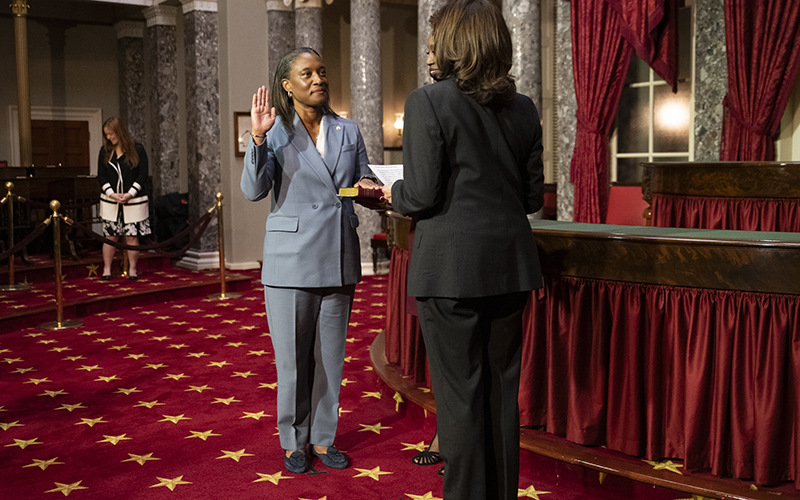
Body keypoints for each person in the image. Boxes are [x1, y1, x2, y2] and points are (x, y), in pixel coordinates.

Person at [382, 0, 545, 498]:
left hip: (451, 271)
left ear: (453, 44)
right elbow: (534, 198)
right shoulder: (523, 107)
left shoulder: (428, 101)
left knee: (459, 404)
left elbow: (423, 194)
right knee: (499, 399)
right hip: (510, 270)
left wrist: (393, 194)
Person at [240, 47, 375, 474]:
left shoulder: (348, 130)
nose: (318, 79)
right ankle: (293, 441)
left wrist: (373, 186)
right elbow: (253, 190)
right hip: (291, 261)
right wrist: (258, 139)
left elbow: (363, 177)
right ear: (287, 84)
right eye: (306, 73)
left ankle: (322, 439)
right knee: (294, 362)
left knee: (329, 360)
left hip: (337, 255)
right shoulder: (274, 130)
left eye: (321, 71)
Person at [97, 116, 150, 280]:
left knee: (132, 236)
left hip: (133, 201)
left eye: (111, 134)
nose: (109, 138)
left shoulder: (138, 150)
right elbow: (101, 176)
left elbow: (143, 175)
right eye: (106, 134)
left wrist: (130, 194)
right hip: (111, 201)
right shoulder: (105, 151)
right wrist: (112, 193)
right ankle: (107, 269)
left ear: (120, 132)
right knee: (110, 236)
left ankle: (132, 270)